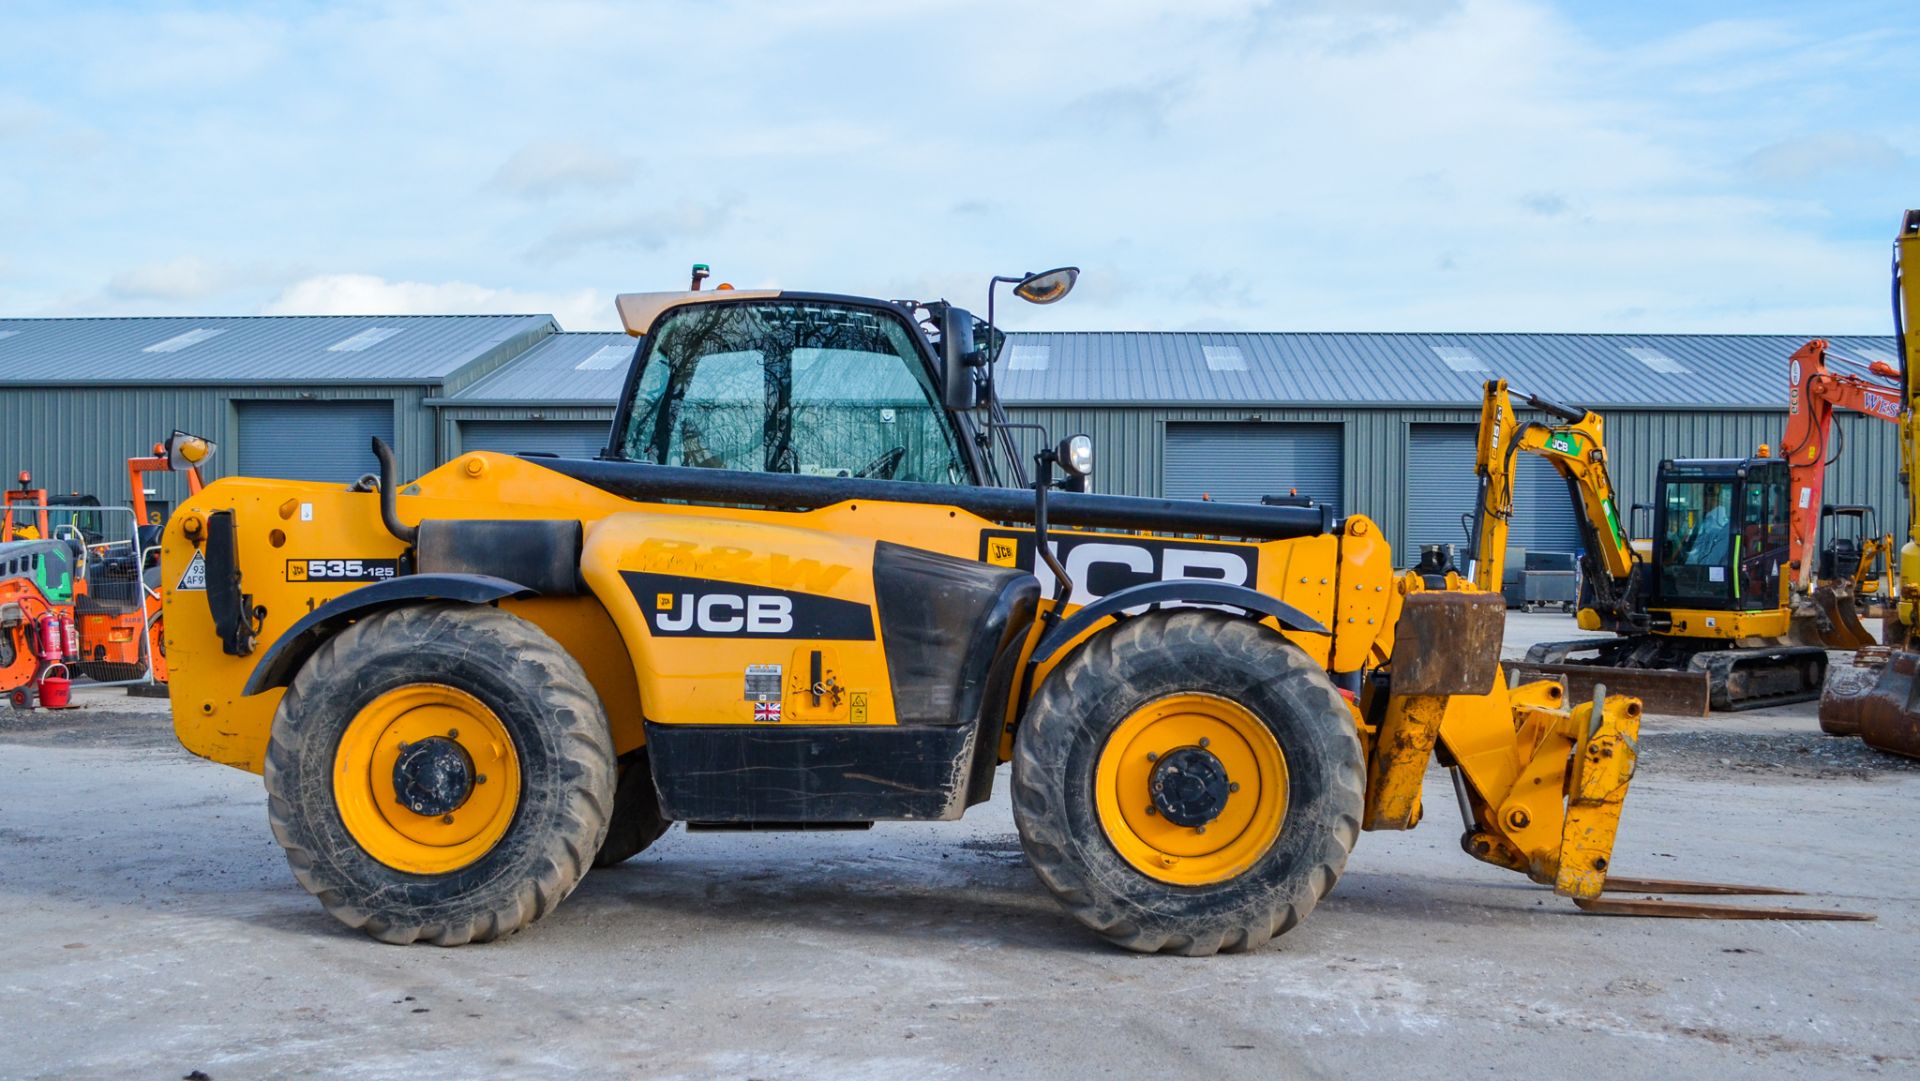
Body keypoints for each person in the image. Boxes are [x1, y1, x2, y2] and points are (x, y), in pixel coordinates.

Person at [1684, 486, 1731, 567]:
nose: (1695, 500)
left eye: (1697, 496)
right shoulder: (1703, 521)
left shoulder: (1720, 526)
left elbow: (1712, 561)